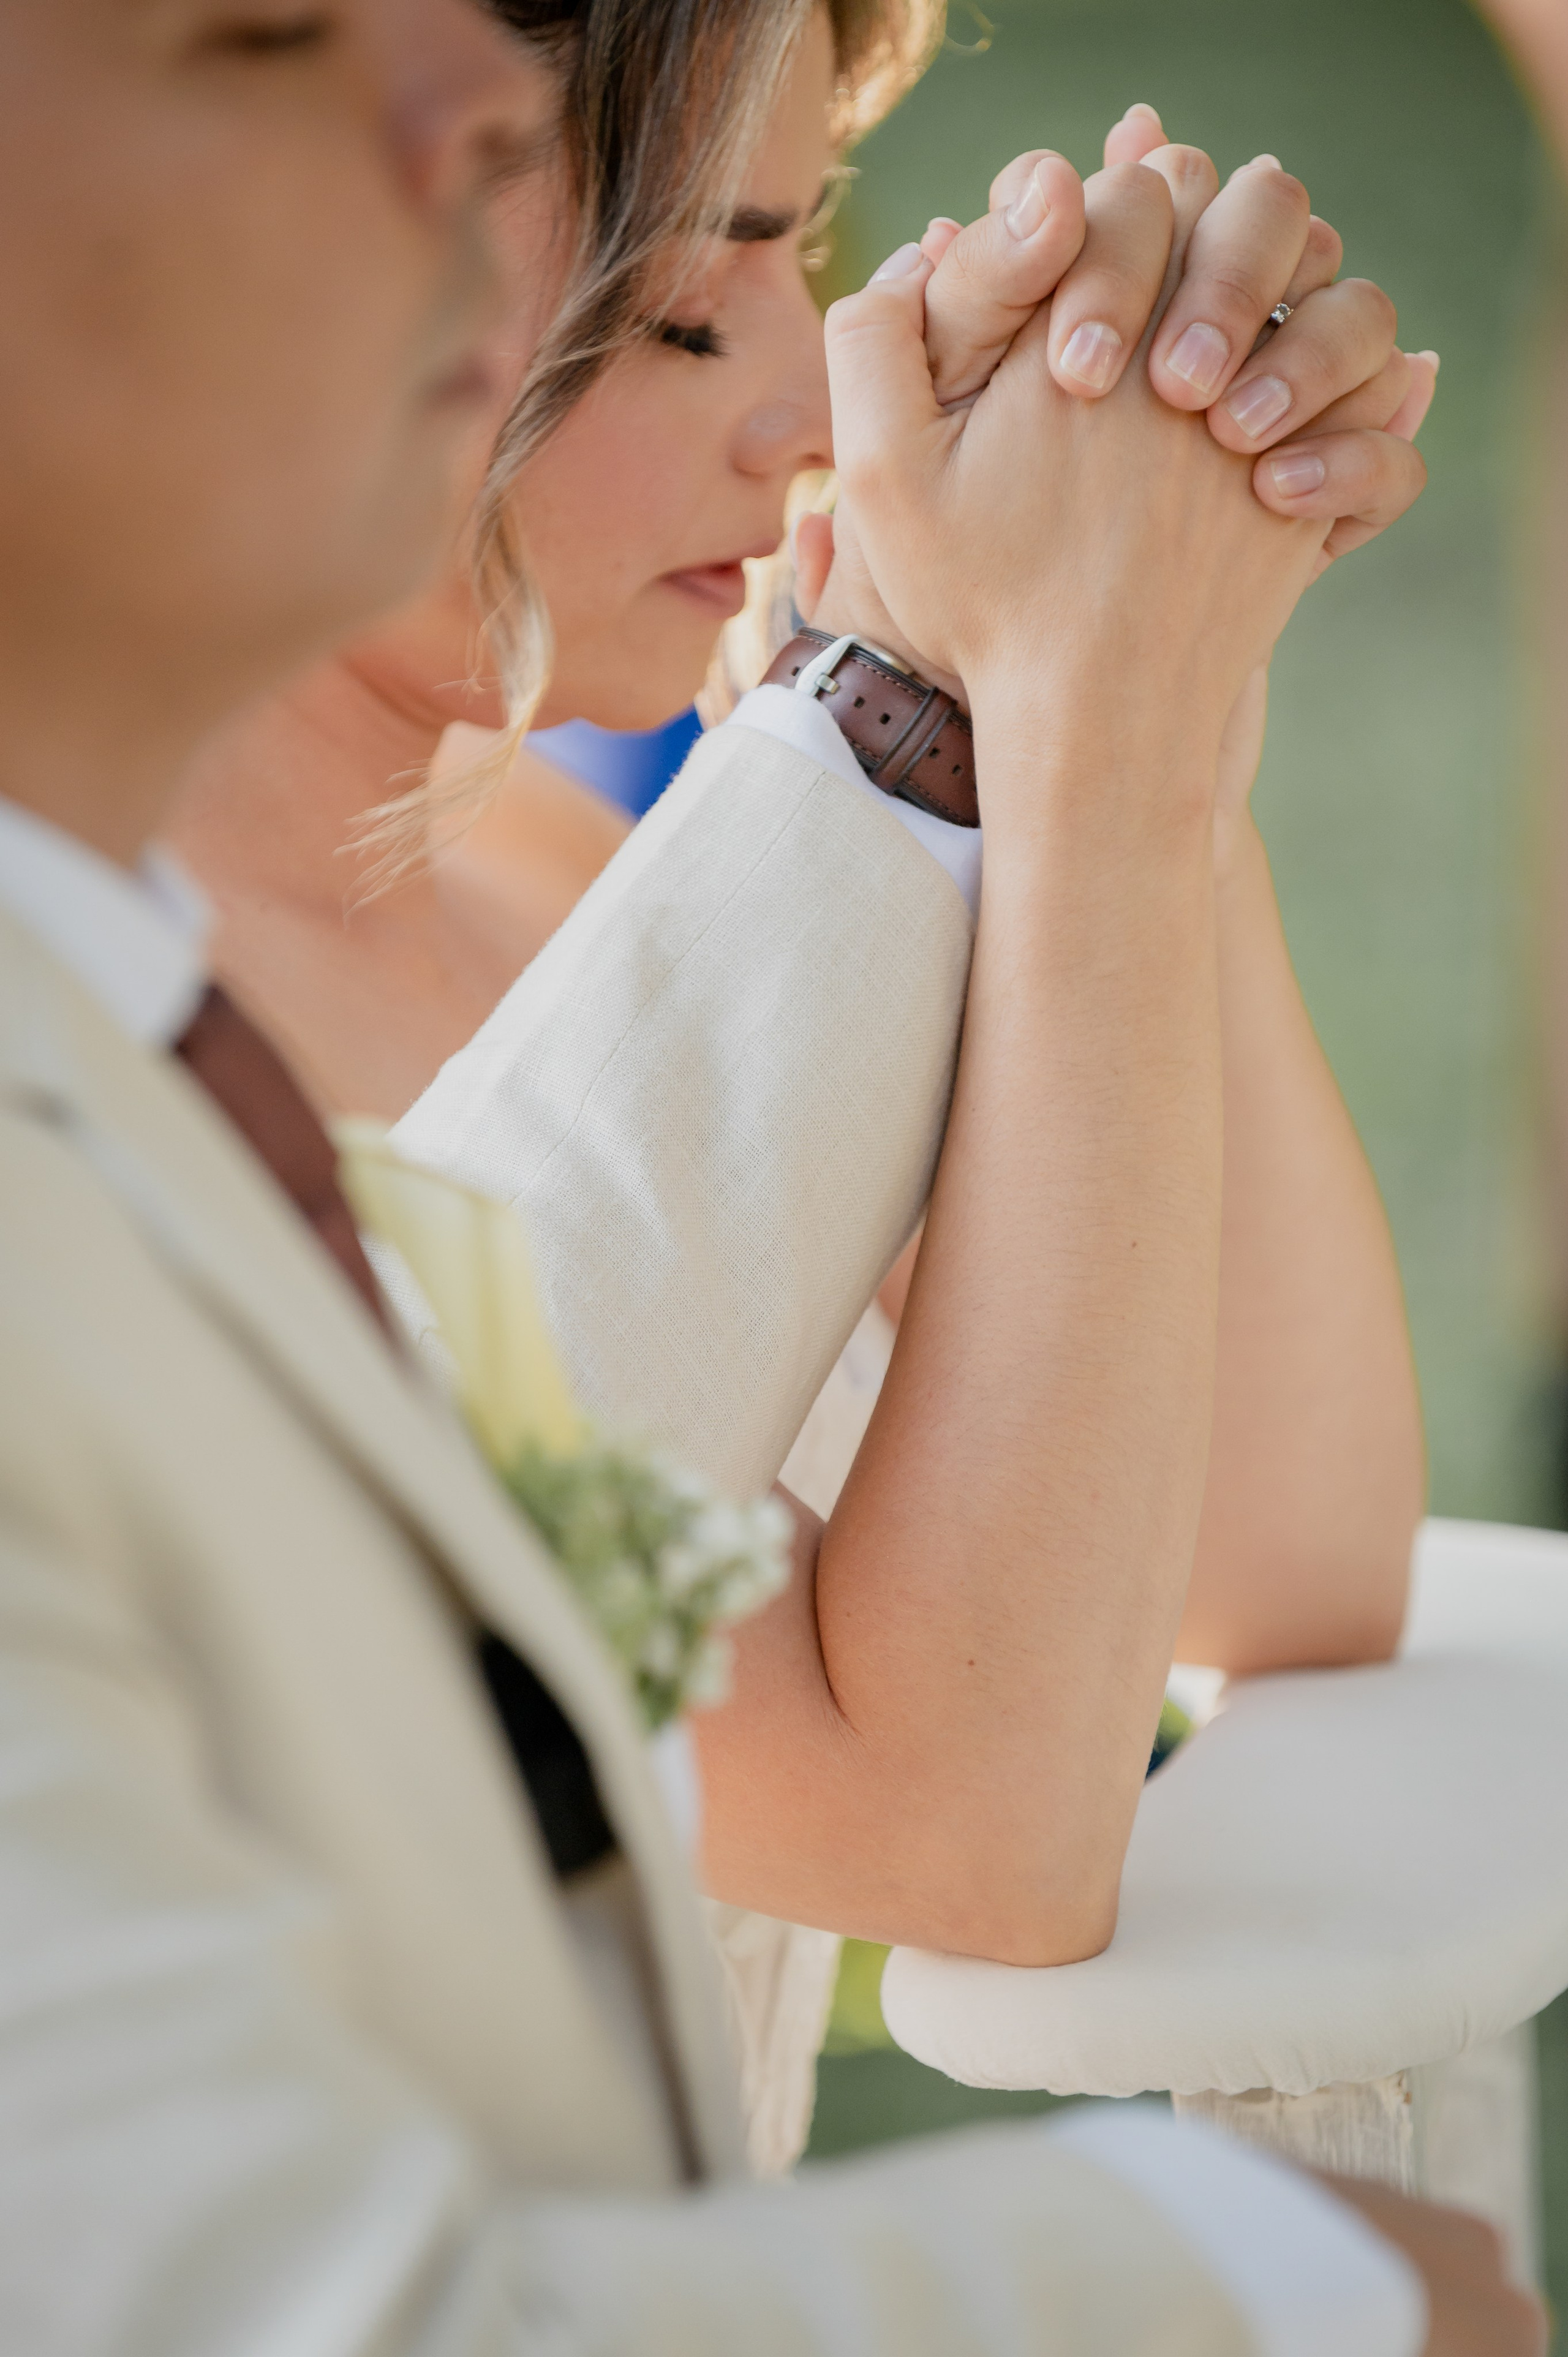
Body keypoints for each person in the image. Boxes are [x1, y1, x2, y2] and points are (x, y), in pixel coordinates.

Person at [0, 2, 1539, 2351]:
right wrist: (1000, 709)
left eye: (808, 246)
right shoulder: (135, 1069)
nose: (806, 404)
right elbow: (966, 1826)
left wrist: (1121, 706)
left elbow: (1274, 1559)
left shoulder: (549, 876)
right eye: (676, 302)